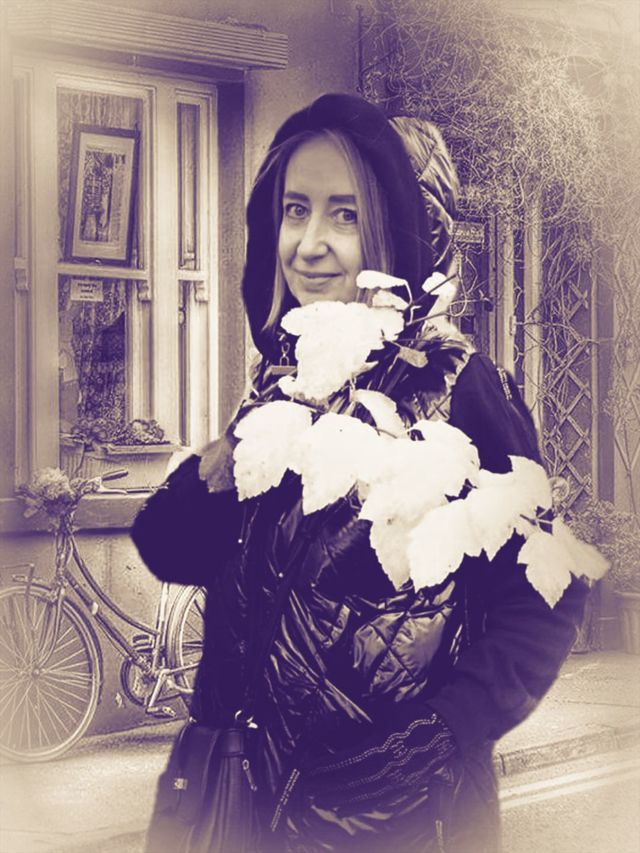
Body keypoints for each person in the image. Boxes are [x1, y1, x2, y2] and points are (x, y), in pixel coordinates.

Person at [132, 93, 590, 853]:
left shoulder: (459, 383)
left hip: (394, 821)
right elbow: (175, 551)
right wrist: (224, 457)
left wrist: (445, 732)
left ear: (397, 231)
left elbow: (549, 593)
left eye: (344, 215)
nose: (308, 243)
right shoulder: (286, 383)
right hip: (242, 809)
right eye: (295, 210)